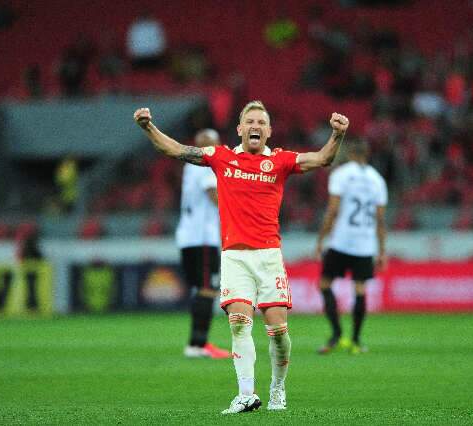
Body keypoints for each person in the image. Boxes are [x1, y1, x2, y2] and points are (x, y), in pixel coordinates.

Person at [134, 101, 348, 414]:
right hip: (234, 257)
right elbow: (177, 150)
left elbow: (323, 158)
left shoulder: (280, 160)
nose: (256, 126)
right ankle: (246, 393)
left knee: (278, 334)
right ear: (240, 129)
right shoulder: (222, 157)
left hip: (269, 257)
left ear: (269, 130)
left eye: (262, 121)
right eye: (250, 121)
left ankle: (278, 386)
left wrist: (337, 135)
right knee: (238, 324)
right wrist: (148, 127)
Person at [315, 139, 388, 355]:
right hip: (366, 244)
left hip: (342, 241)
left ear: (349, 154)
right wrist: (382, 250)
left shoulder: (341, 174)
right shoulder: (377, 180)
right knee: (360, 289)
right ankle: (356, 341)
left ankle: (336, 335)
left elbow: (332, 210)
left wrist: (321, 239)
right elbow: (381, 220)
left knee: (325, 284)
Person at [177, 129, 230, 359]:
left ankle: (196, 343)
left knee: (202, 288)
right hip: (203, 237)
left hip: (188, 236)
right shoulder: (205, 165)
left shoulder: (190, 166)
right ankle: (199, 344)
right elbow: (212, 193)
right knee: (208, 289)